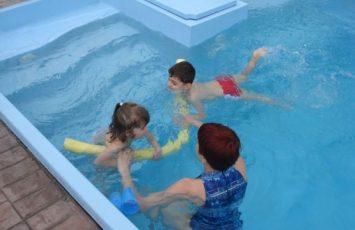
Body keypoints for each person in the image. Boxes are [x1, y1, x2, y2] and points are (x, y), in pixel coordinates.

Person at [117, 122, 247, 229]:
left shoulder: (189, 187)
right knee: (181, 203)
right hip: (232, 225)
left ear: (202, 156)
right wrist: (191, 121)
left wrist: (124, 171)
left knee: (158, 206)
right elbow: (225, 145)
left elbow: (140, 205)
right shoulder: (240, 167)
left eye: (198, 142)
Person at [168, 47, 284, 122]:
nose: (169, 84)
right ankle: (255, 57)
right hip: (221, 81)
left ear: (187, 86)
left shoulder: (193, 98)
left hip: (228, 90)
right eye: (169, 80)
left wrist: (185, 118)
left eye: (173, 83)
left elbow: (202, 115)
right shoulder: (188, 81)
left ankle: (281, 103)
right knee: (244, 75)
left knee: (257, 97)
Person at [94, 102, 162, 167]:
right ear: (128, 133)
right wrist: (124, 163)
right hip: (102, 142)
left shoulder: (137, 129)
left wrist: (157, 147)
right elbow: (98, 162)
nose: (146, 129)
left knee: (128, 150)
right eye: (143, 128)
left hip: (117, 134)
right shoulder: (117, 146)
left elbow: (150, 137)